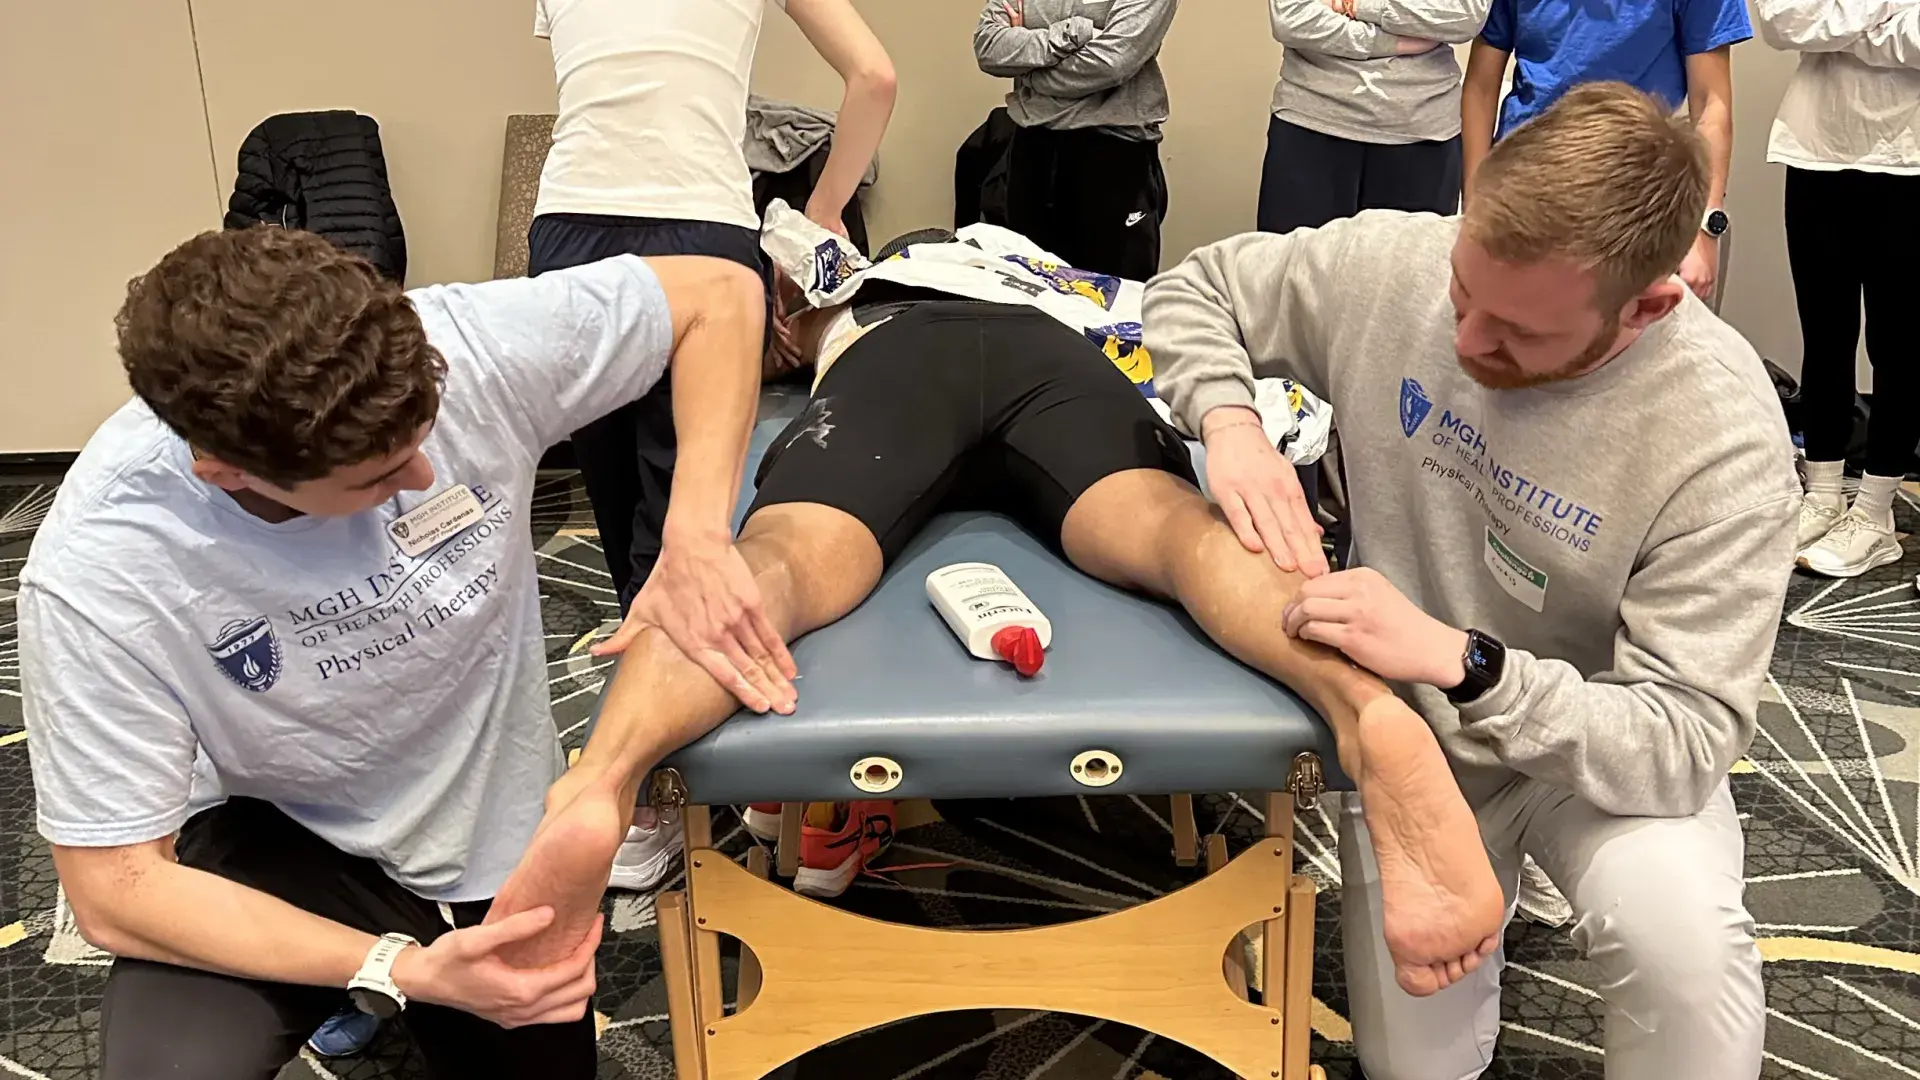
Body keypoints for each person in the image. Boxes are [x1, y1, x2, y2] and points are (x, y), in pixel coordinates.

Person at [482, 218, 1511, 999]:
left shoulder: (868, 289)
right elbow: (1159, 315)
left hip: (901, 360)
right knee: (1178, 536)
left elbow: (771, 333)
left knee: (777, 565)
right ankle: (1368, 714)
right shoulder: (1044, 278)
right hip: (1056, 364)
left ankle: (600, 782)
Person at [19, 227, 786, 1078]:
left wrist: (696, 536)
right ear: (226, 471)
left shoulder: (466, 344)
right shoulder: (102, 569)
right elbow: (115, 891)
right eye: (377, 477)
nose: (425, 476)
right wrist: (392, 966)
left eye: (424, 435)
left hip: (490, 823)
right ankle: (345, 976)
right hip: (282, 829)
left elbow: (719, 294)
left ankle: (369, 984)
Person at [1144, 82, 1795, 1079]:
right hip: (1414, 746)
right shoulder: (1400, 260)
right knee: (1418, 1066)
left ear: (1652, 305)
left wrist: (1467, 664)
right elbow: (1196, 288)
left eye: (1519, 335)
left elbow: (1684, 740)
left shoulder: (1725, 441)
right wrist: (1228, 421)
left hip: (1594, 750)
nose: (1464, 343)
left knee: (1686, 956)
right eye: (1462, 294)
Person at [529, 0, 895, 667]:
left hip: (569, 228)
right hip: (699, 224)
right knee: (684, 507)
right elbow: (875, 76)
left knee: (613, 487)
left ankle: (635, 657)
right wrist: (825, 207)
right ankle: (665, 687)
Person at [1756, 0, 1920, 578]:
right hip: (1816, 147)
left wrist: (1842, 29)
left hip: (1908, 158)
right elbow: (1784, 21)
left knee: (1898, 347)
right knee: (1823, 333)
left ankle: (1874, 516)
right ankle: (1823, 496)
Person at [1459, 0, 1748, 301]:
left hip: (1635, 203)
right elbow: (1481, 86)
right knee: (1505, 330)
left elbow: (1711, 105)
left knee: (1625, 339)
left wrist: (1704, 228)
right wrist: (1474, 203)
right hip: (1521, 189)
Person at [973, 0, 1179, 280]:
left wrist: (1027, 68)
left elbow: (1113, 62)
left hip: (1115, 155)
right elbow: (989, 47)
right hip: (1031, 149)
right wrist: (1077, 31)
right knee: (1029, 303)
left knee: (1114, 307)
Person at [1258, 0, 1488, 234]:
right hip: (1311, 119)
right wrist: (1395, 42)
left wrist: (1358, 5)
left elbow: (1464, 15)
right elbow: (1292, 17)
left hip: (1423, 132)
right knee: (1293, 269)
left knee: (1408, 270)